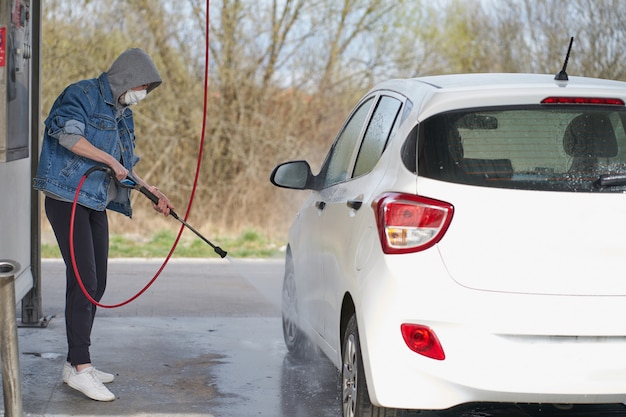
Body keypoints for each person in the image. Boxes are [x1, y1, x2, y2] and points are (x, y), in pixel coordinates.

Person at [33, 48, 174, 402]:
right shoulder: (80, 94)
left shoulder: (122, 114)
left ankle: (75, 363)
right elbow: (67, 135)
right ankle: (81, 367)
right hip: (67, 197)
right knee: (84, 282)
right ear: (125, 77)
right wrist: (108, 158)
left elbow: (124, 165)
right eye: (141, 86)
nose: (142, 94)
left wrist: (149, 191)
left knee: (97, 284)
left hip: (94, 200)